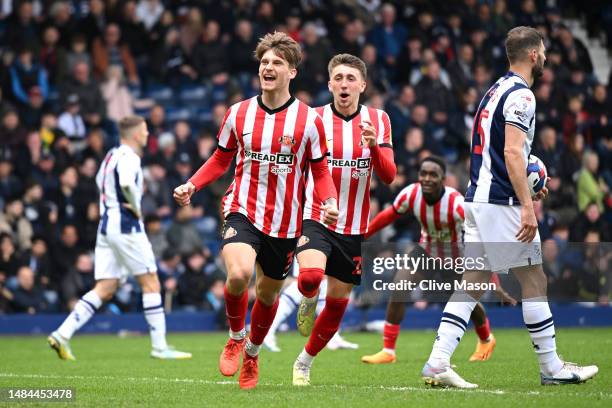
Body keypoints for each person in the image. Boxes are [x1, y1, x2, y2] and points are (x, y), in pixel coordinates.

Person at [421, 26, 598, 388]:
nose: (547, 57)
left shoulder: (494, 90)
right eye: (544, 51)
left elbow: (504, 152)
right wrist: (527, 205)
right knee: (534, 278)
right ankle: (551, 367)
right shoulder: (522, 96)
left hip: (478, 198)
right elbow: (512, 152)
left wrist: (527, 184)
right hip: (500, 202)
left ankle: (438, 362)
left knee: (472, 281)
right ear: (533, 54)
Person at [173, 32, 338, 390]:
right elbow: (220, 158)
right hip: (242, 208)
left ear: (291, 72)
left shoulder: (310, 121)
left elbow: (321, 170)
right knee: (238, 275)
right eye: (264, 61)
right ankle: (235, 335)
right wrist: (192, 184)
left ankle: (252, 352)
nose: (268, 67)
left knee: (267, 294)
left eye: (277, 62)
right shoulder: (239, 113)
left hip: (285, 221)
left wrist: (329, 202)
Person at [47, 116, 191, 361]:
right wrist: (136, 206)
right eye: (145, 131)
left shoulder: (111, 155)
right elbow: (125, 183)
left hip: (107, 224)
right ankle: (160, 346)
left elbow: (98, 180)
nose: (147, 135)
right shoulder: (130, 157)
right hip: (125, 224)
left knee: (106, 287)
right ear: (136, 134)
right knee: (151, 282)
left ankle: (62, 334)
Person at [291, 54, 396, 386]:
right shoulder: (314, 119)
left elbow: (389, 175)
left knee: (337, 306)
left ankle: (304, 362)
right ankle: (308, 298)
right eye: (338, 77)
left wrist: (374, 147)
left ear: (362, 85)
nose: (344, 84)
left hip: (353, 226)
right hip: (316, 216)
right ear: (329, 84)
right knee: (309, 278)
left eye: (351, 78)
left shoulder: (379, 120)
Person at [361, 157, 516, 365]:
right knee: (399, 287)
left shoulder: (456, 204)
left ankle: (486, 339)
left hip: (455, 257)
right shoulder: (411, 193)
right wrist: (363, 234)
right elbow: (389, 215)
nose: (427, 179)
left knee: (466, 301)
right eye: (423, 173)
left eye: (433, 175)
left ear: (443, 179)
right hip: (425, 252)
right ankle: (388, 350)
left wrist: (495, 284)